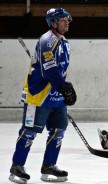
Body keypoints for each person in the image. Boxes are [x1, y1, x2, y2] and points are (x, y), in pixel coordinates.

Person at [9, 8, 77, 184]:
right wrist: (64, 86)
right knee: (29, 131)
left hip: (56, 96)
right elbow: (49, 68)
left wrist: (63, 88)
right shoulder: (47, 40)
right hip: (38, 95)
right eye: (62, 19)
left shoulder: (65, 42)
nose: (67, 21)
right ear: (53, 23)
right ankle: (17, 166)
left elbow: (59, 69)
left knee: (58, 130)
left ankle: (49, 165)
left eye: (67, 19)